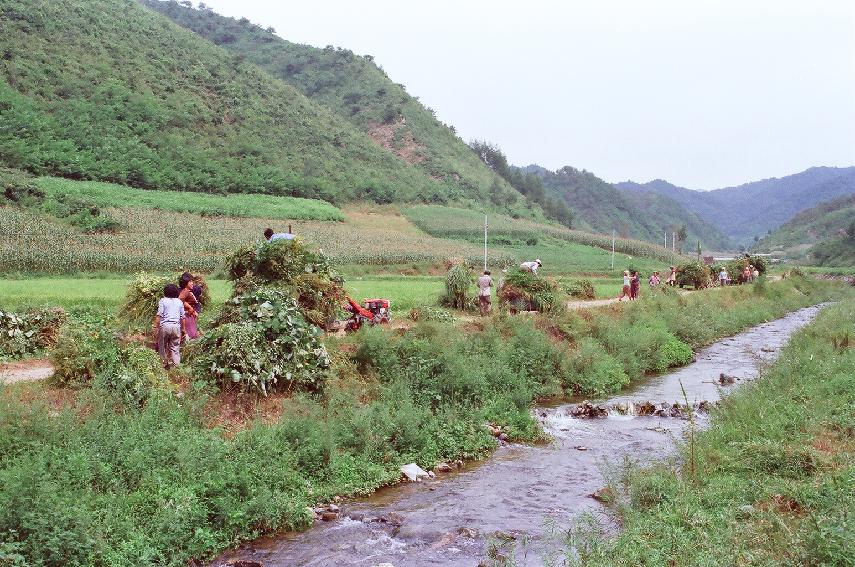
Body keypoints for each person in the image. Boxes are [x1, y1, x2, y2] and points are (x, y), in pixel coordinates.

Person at [153, 283, 186, 370]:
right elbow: (183, 317)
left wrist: (155, 327)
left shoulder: (163, 301)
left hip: (165, 326)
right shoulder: (179, 302)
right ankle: (177, 367)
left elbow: (159, 315)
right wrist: (183, 329)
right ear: (176, 292)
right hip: (176, 327)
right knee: (175, 348)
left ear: (165, 292)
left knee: (162, 346)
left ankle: (164, 365)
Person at [178, 273, 200, 340]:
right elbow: (180, 300)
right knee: (190, 336)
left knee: (192, 335)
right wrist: (190, 308)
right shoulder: (185, 291)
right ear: (185, 283)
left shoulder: (187, 291)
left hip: (189, 315)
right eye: (190, 282)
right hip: (186, 316)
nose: (192, 283)